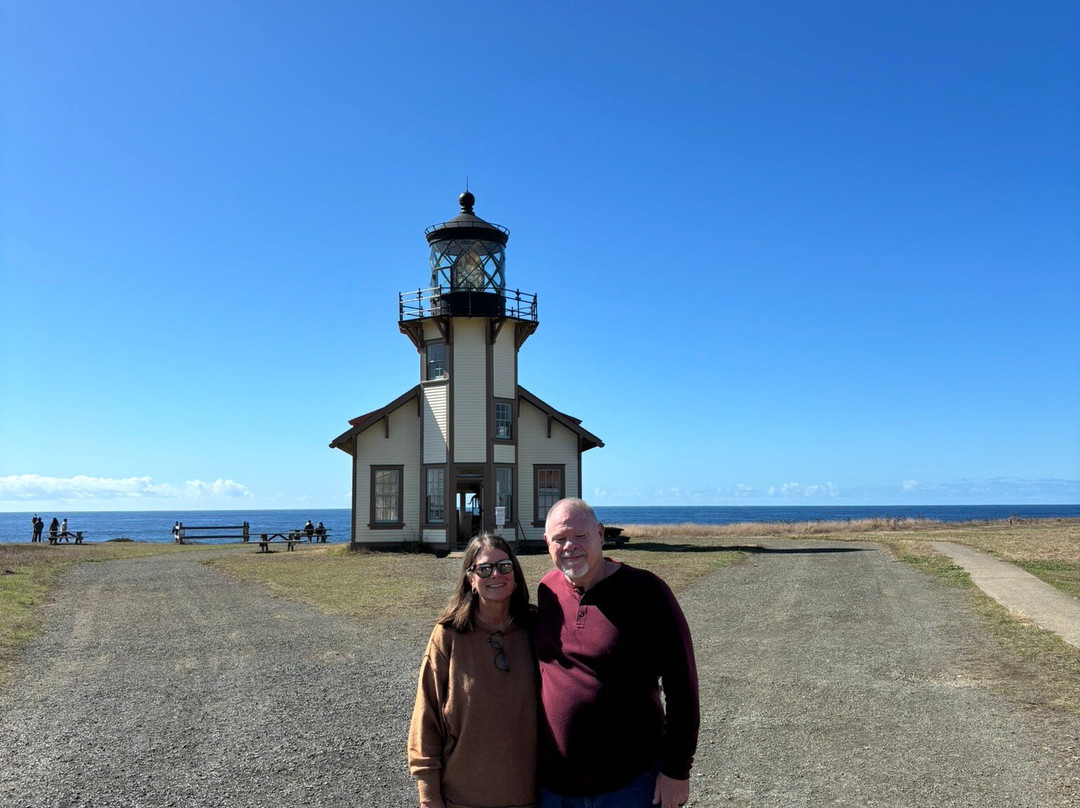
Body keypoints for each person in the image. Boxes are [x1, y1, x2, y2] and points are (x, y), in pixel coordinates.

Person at [537, 498, 699, 808]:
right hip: (556, 787)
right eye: (559, 539)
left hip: (632, 785)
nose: (570, 546)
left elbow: (683, 689)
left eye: (580, 535)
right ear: (547, 543)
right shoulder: (548, 591)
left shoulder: (647, 592)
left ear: (600, 533)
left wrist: (677, 772)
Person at [408, 533, 538, 808]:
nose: (496, 575)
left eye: (504, 566)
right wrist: (429, 797)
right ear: (471, 579)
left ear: (514, 574)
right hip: (461, 800)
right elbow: (426, 719)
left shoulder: (537, 629)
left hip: (530, 799)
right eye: (484, 568)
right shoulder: (448, 635)